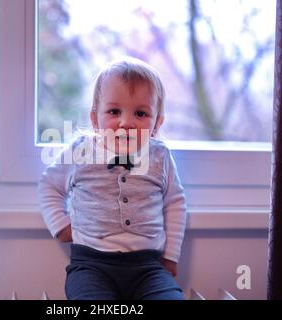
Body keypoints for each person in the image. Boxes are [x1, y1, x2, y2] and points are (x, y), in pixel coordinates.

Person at [38, 57, 187, 300]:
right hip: (91, 265)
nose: (126, 123)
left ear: (156, 124)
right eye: (114, 111)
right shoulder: (81, 151)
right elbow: (49, 185)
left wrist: (171, 255)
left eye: (140, 113)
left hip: (148, 268)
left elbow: (175, 203)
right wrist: (60, 224)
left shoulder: (160, 156)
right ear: (95, 119)